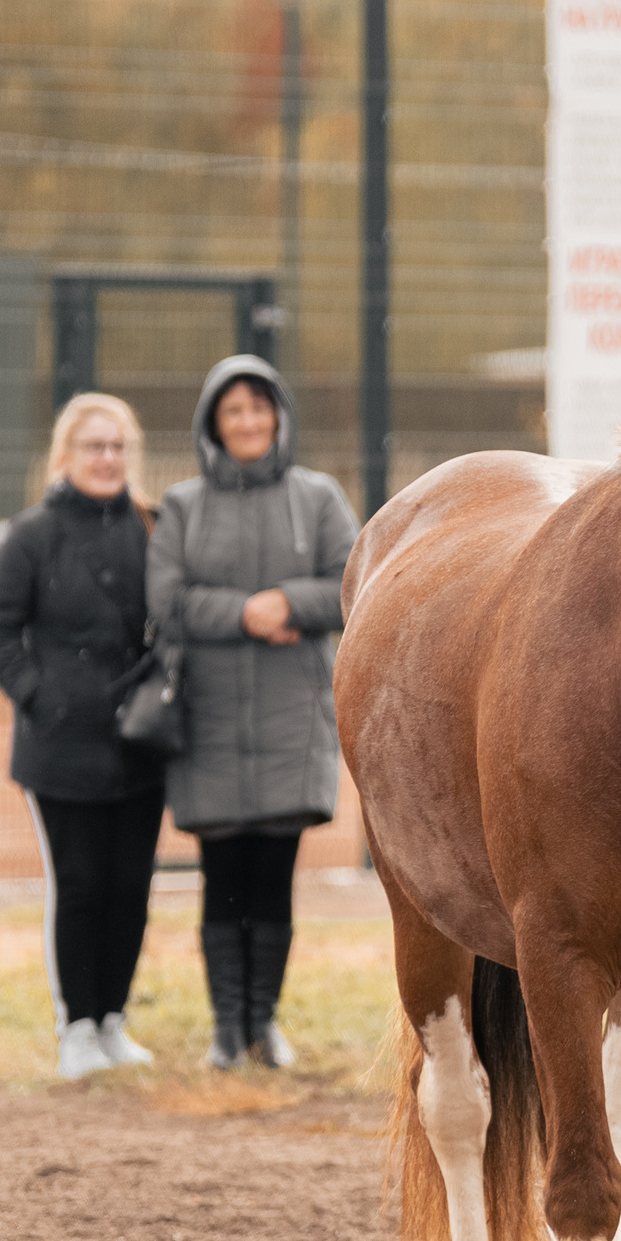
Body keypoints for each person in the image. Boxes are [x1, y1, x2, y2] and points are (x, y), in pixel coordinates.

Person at [148, 355, 358, 1070]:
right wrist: (246, 613)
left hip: (290, 715)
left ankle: (263, 1022)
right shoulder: (183, 505)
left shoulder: (318, 497)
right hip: (207, 717)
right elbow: (166, 601)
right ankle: (225, 1029)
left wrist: (288, 603)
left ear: (279, 416)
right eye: (233, 410)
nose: (248, 421)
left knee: (272, 876)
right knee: (221, 877)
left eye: (258, 408)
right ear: (214, 423)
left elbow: (353, 581)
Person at [0, 393, 166, 1079]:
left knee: (131, 886)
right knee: (80, 884)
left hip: (140, 742)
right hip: (60, 748)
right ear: (66, 455)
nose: (108, 459)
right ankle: (76, 1026)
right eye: (94, 446)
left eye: (118, 446)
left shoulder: (154, 526)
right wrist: (40, 696)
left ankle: (112, 1020)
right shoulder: (33, 534)